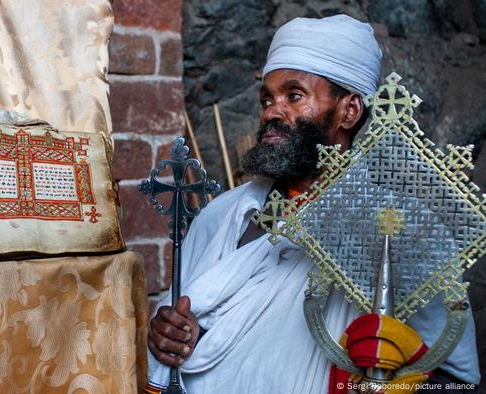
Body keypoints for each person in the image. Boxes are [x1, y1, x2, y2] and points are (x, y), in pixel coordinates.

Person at [146, 14, 480, 393]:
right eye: (267, 99)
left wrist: (395, 386)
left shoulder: (399, 229)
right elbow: (185, 320)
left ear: (348, 111)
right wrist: (166, 333)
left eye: (294, 95)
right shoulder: (222, 215)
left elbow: (458, 383)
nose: (272, 111)